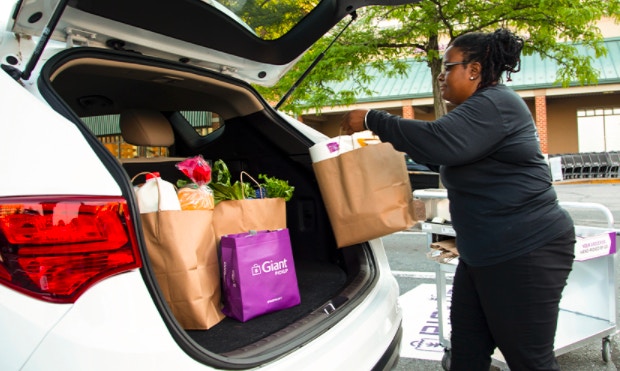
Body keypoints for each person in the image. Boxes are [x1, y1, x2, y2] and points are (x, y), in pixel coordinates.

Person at [341, 28, 575, 371]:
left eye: (447, 67)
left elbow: (438, 142)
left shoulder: (496, 103)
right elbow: (438, 154)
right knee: (466, 353)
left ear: (474, 70)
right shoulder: (474, 114)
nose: (440, 76)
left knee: (530, 361)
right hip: (482, 254)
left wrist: (372, 118)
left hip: (526, 251)